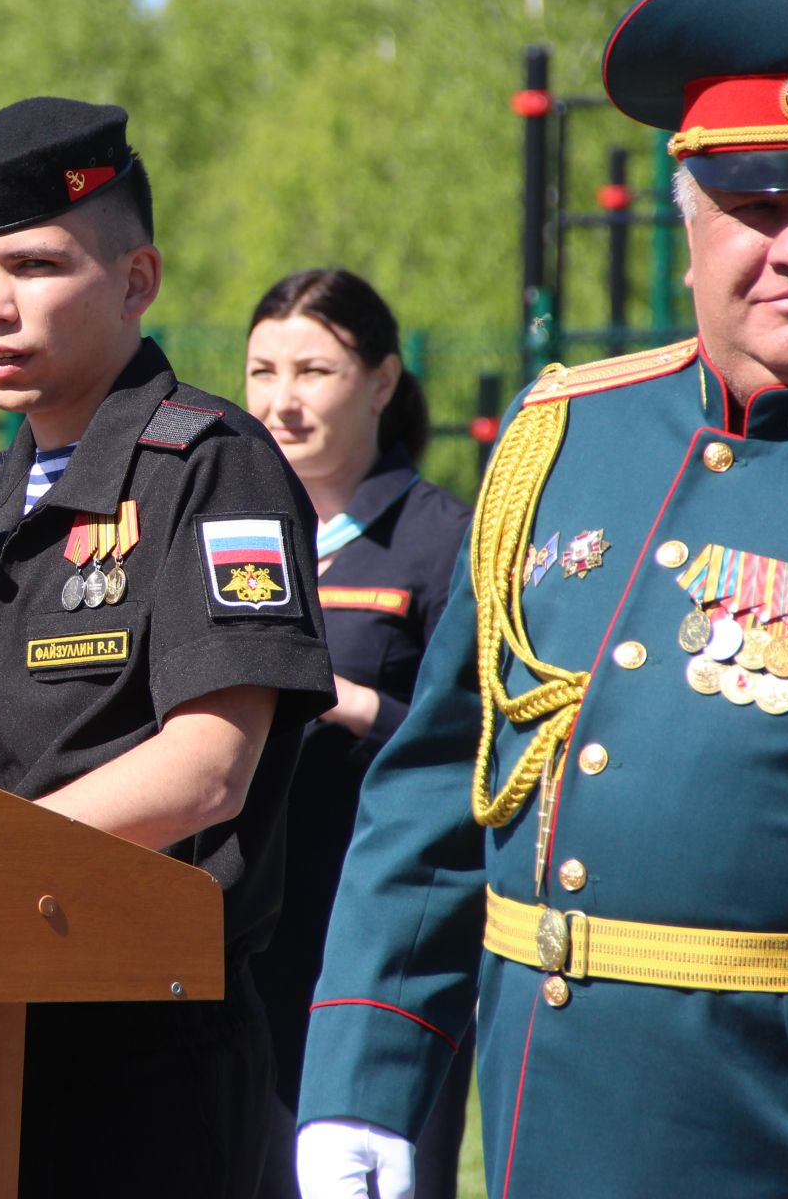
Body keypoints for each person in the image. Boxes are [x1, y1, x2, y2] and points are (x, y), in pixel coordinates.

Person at [296, 0, 788, 1197]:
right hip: (540, 1131)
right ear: (689, 219)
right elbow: (435, 794)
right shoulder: (567, 436)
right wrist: (364, 1086)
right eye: (754, 204)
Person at [0, 96, 335, 1195]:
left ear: (137, 281)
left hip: (139, 1055)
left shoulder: (211, 465)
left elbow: (206, 767)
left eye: (34, 267)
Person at [241, 269, 471, 1199]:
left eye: (314, 370)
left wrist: (339, 698)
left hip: (378, 911)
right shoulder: (233, 531)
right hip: (246, 911)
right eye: (261, 371)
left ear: (382, 381)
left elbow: (482, 746)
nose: (281, 402)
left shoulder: (445, 539)